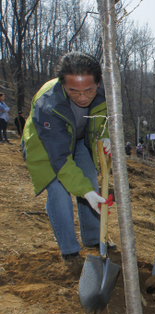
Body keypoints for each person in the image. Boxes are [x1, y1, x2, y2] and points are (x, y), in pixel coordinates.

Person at [21, 52, 113, 268]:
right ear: (63, 85)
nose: (82, 98)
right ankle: (69, 250)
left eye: (89, 91)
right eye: (74, 91)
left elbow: (106, 118)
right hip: (47, 146)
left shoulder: (106, 92)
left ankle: (93, 238)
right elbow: (61, 158)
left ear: (98, 83)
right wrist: (87, 193)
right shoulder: (48, 104)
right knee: (59, 191)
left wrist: (106, 134)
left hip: (79, 140)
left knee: (89, 179)